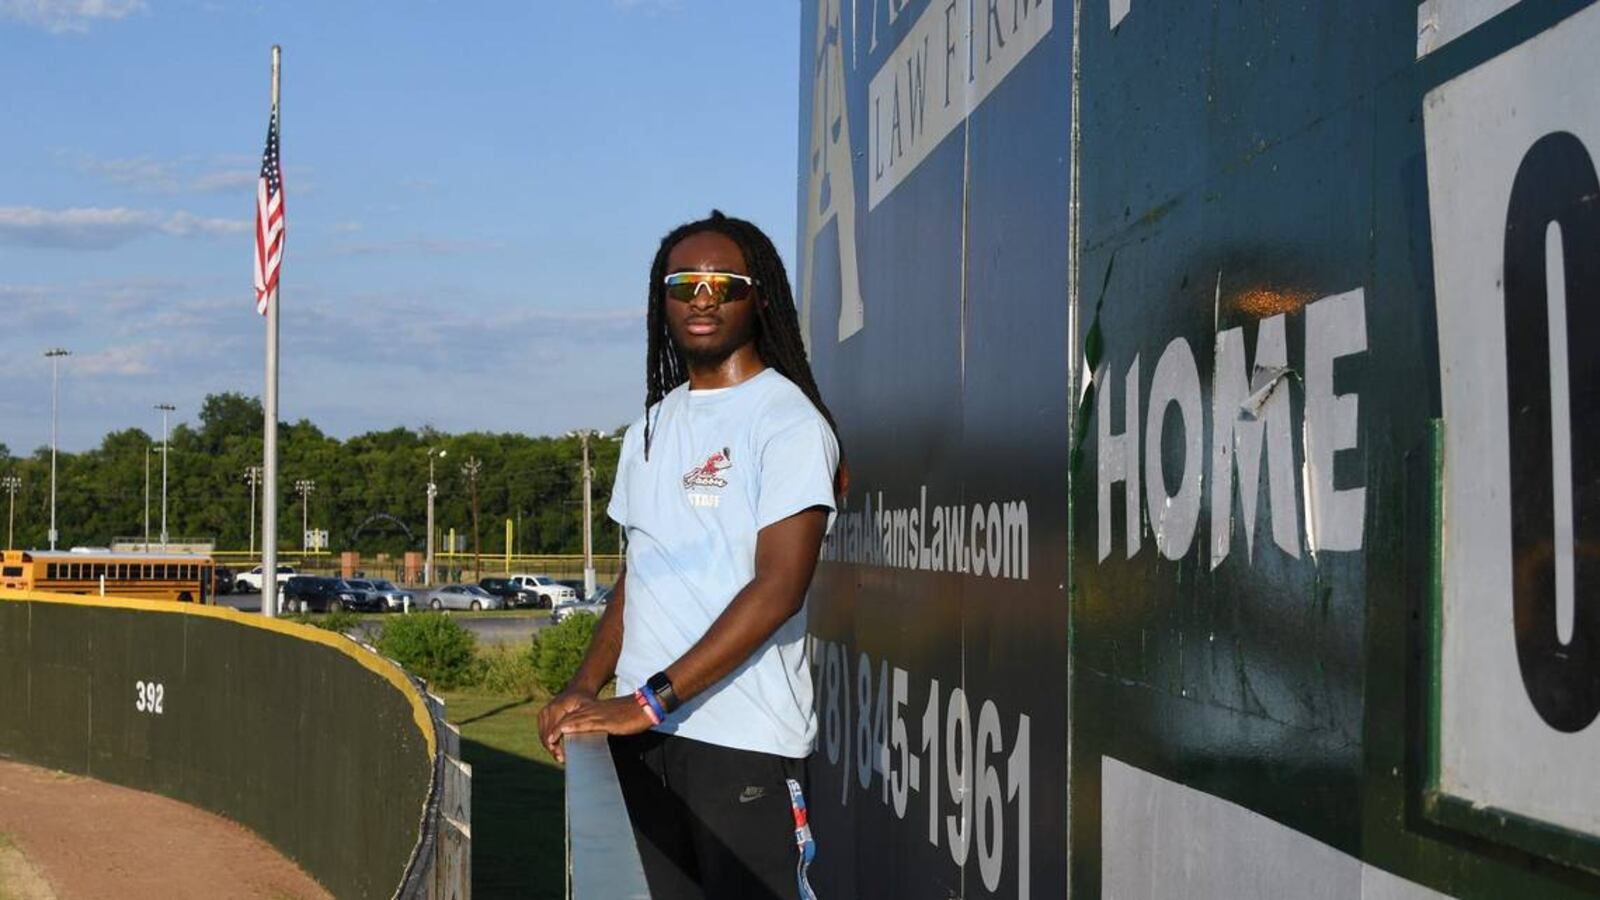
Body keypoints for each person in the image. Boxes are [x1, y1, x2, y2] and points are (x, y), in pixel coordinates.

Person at [537, 210, 843, 899]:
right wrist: (586, 685)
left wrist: (649, 700)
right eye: (684, 284)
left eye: (722, 284)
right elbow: (637, 578)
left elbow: (778, 590)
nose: (701, 299)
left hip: (743, 747)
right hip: (642, 743)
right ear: (662, 301)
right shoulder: (649, 428)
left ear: (758, 296)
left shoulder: (788, 422)